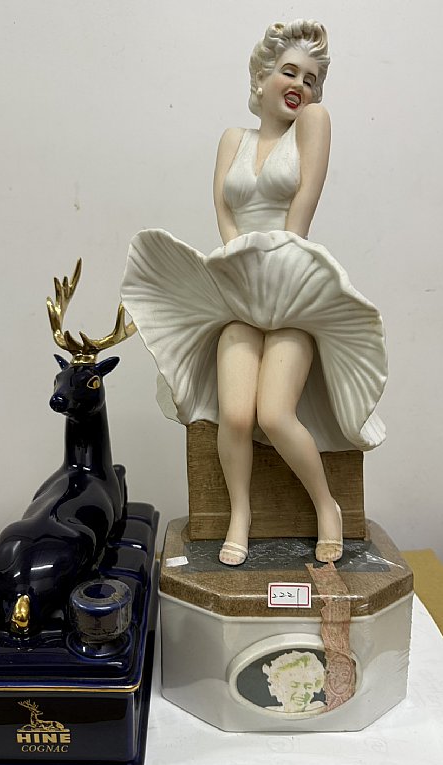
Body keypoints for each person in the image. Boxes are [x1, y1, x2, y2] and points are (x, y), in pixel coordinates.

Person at [121, 19, 387, 567]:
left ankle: (327, 507)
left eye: (311, 79)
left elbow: (301, 210)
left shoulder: (312, 123)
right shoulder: (232, 140)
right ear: (261, 77)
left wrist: (275, 272)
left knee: (274, 414)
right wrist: (237, 272)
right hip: (239, 291)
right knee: (236, 416)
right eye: (289, 72)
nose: (300, 86)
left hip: (291, 294)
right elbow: (225, 211)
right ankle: (239, 514)